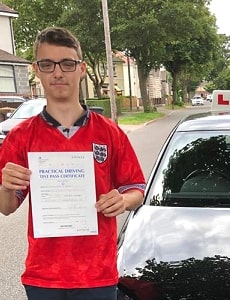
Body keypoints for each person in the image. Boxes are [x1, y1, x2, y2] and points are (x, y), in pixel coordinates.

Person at [0, 26, 146, 300]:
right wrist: (6, 188)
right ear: (37, 70)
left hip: (97, 274)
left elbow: (137, 187)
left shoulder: (109, 132)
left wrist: (123, 201)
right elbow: (6, 208)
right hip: (43, 276)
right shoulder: (21, 136)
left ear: (81, 68)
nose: (58, 72)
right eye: (48, 64)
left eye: (67, 63)